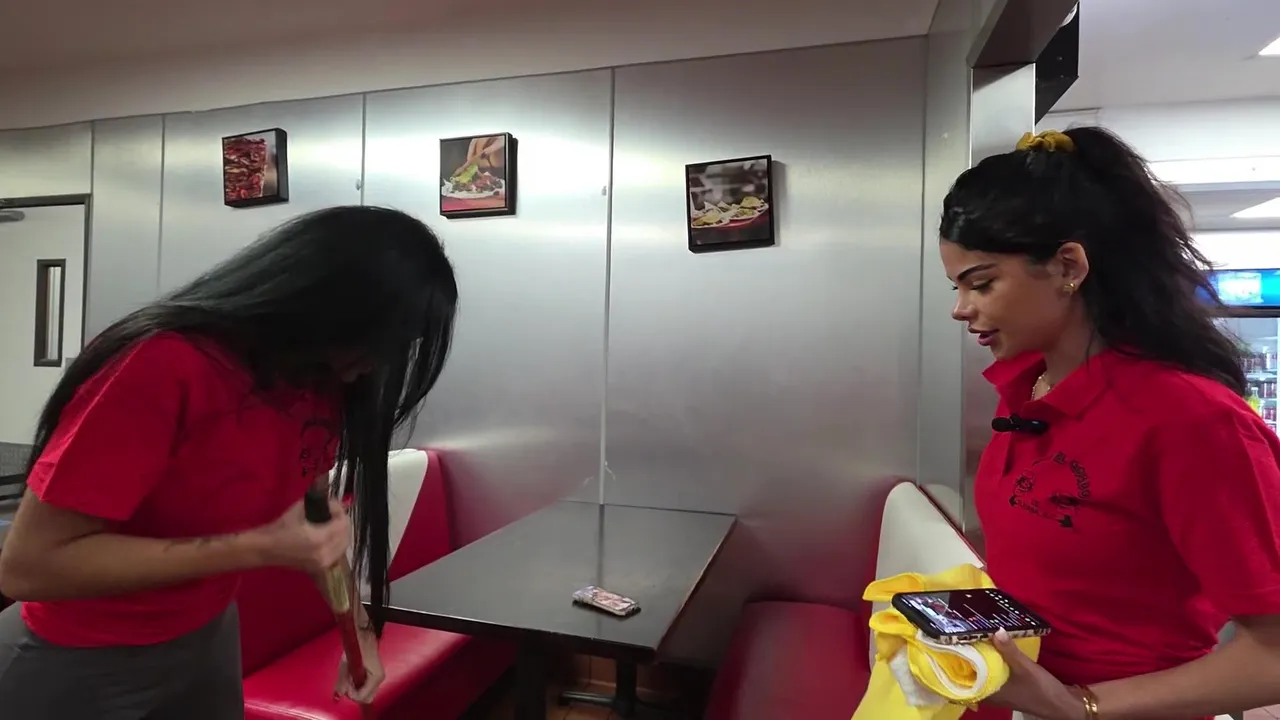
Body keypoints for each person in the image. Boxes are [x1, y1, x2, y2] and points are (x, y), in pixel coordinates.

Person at [0, 205, 458, 718]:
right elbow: (28, 567)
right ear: (328, 305)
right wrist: (254, 547)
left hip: (206, 635)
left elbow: (316, 524)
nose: (377, 365)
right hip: (79, 655)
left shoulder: (317, 385)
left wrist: (360, 635)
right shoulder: (162, 365)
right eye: (380, 341)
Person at [939, 127, 1280, 720]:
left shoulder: (1191, 421)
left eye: (982, 283)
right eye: (958, 287)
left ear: (1067, 265)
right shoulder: (1027, 391)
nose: (961, 309)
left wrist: (1081, 705)